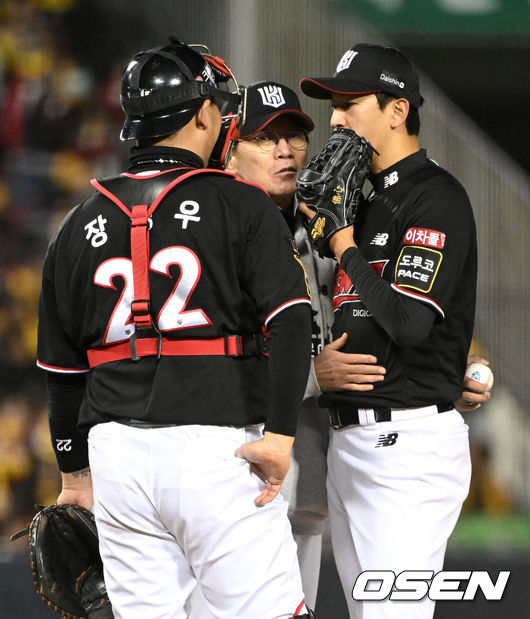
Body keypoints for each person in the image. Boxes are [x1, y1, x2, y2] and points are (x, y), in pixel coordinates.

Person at [37, 38, 316, 619]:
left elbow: (62, 373)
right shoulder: (241, 203)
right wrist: (282, 436)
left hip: (115, 455)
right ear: (203, 115)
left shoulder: (76, 223)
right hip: (216, 446)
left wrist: (73, 475)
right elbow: (291, 321)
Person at [298, 43, 481, 618]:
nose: (335, 116)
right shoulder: (366, 199)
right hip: (351, 442)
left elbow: (407, 323)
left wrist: (344, 246)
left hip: (404, 448)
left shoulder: (435, 198)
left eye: (350, 101)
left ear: (397, 110)